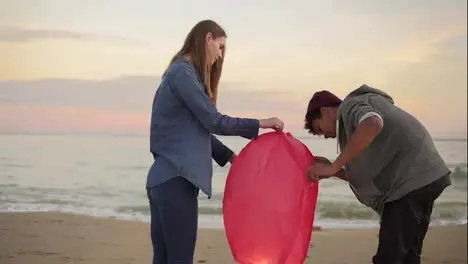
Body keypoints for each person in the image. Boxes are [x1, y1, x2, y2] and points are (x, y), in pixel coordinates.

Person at [146, 20, 284, 264]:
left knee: (165, 259)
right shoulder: (183, 72)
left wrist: (231, 158)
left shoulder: (179, 75)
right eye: (220, 48)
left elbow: (197, 131)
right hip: (176, 182)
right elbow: (213, 121)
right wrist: (260, 123)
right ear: (208, 38)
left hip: (163, 181)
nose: (220, 56)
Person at [304, 84, 451, 264]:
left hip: (409, 183)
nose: (325, 136)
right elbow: (370, 170)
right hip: (424, 177)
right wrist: (335, 172)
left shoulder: (351, 105)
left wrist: (333, 166)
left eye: (319, 129)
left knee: (389, 258)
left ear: (325, 111)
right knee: (408, 257)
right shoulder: (354, 128)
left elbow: (372, 123)